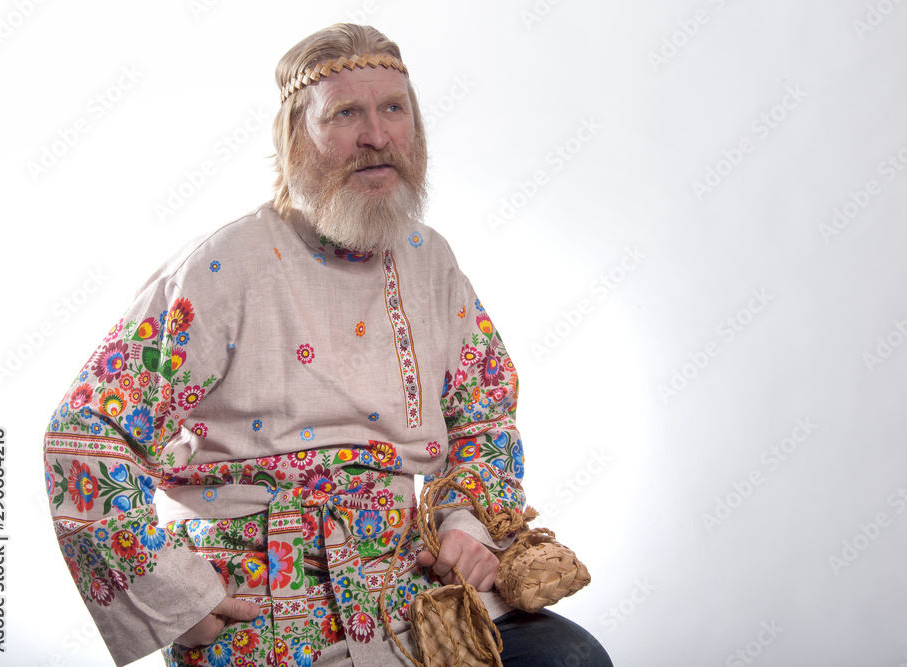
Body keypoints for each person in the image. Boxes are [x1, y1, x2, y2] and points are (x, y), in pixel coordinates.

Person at [44, 23, 612, 667]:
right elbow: (85, 431)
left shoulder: (430, 261)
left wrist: (464, 524)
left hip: (408, 588)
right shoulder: (223, 266)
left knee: (567, 658)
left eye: (393, 109)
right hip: (263, 604)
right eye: (346, 113)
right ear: (293, 137)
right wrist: (178, 600)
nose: (377, 136)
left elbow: (484, 413)